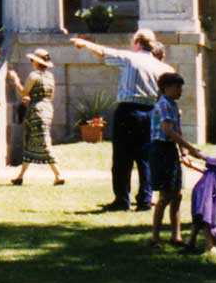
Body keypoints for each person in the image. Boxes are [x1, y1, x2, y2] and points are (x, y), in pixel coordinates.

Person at [71, 29, 170, 211]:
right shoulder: (163, 68)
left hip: (128, 111)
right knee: (145, 159)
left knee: (122, 158)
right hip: (150, 112)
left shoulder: (130, 58)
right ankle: (145, 200)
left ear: (137, 43)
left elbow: (103, 51)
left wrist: (84, 44)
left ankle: (122, 200)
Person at [147, 72, 204, 250]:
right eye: (177, 87)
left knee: (177, 195)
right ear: (166, 88)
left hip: (170, 150)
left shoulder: (173, 105)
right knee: (164, 196)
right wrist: (192, 148)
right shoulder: (163, 105)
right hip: (160, 150)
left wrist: (184, 152)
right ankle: (155, 237)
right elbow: (168, 131)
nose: (180, 91)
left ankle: (176, 235)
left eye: (181, 87)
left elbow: (177, 131)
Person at [9, 49, 65, 185]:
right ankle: (20, 176)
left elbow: (23, 92)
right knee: (32, 141)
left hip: (37, 110)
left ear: (36, 62)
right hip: (47, 109)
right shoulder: (50, 76)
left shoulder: (33, 76)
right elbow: (50, 96)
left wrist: (15, 79)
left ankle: (58, 174)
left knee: (42, 141)